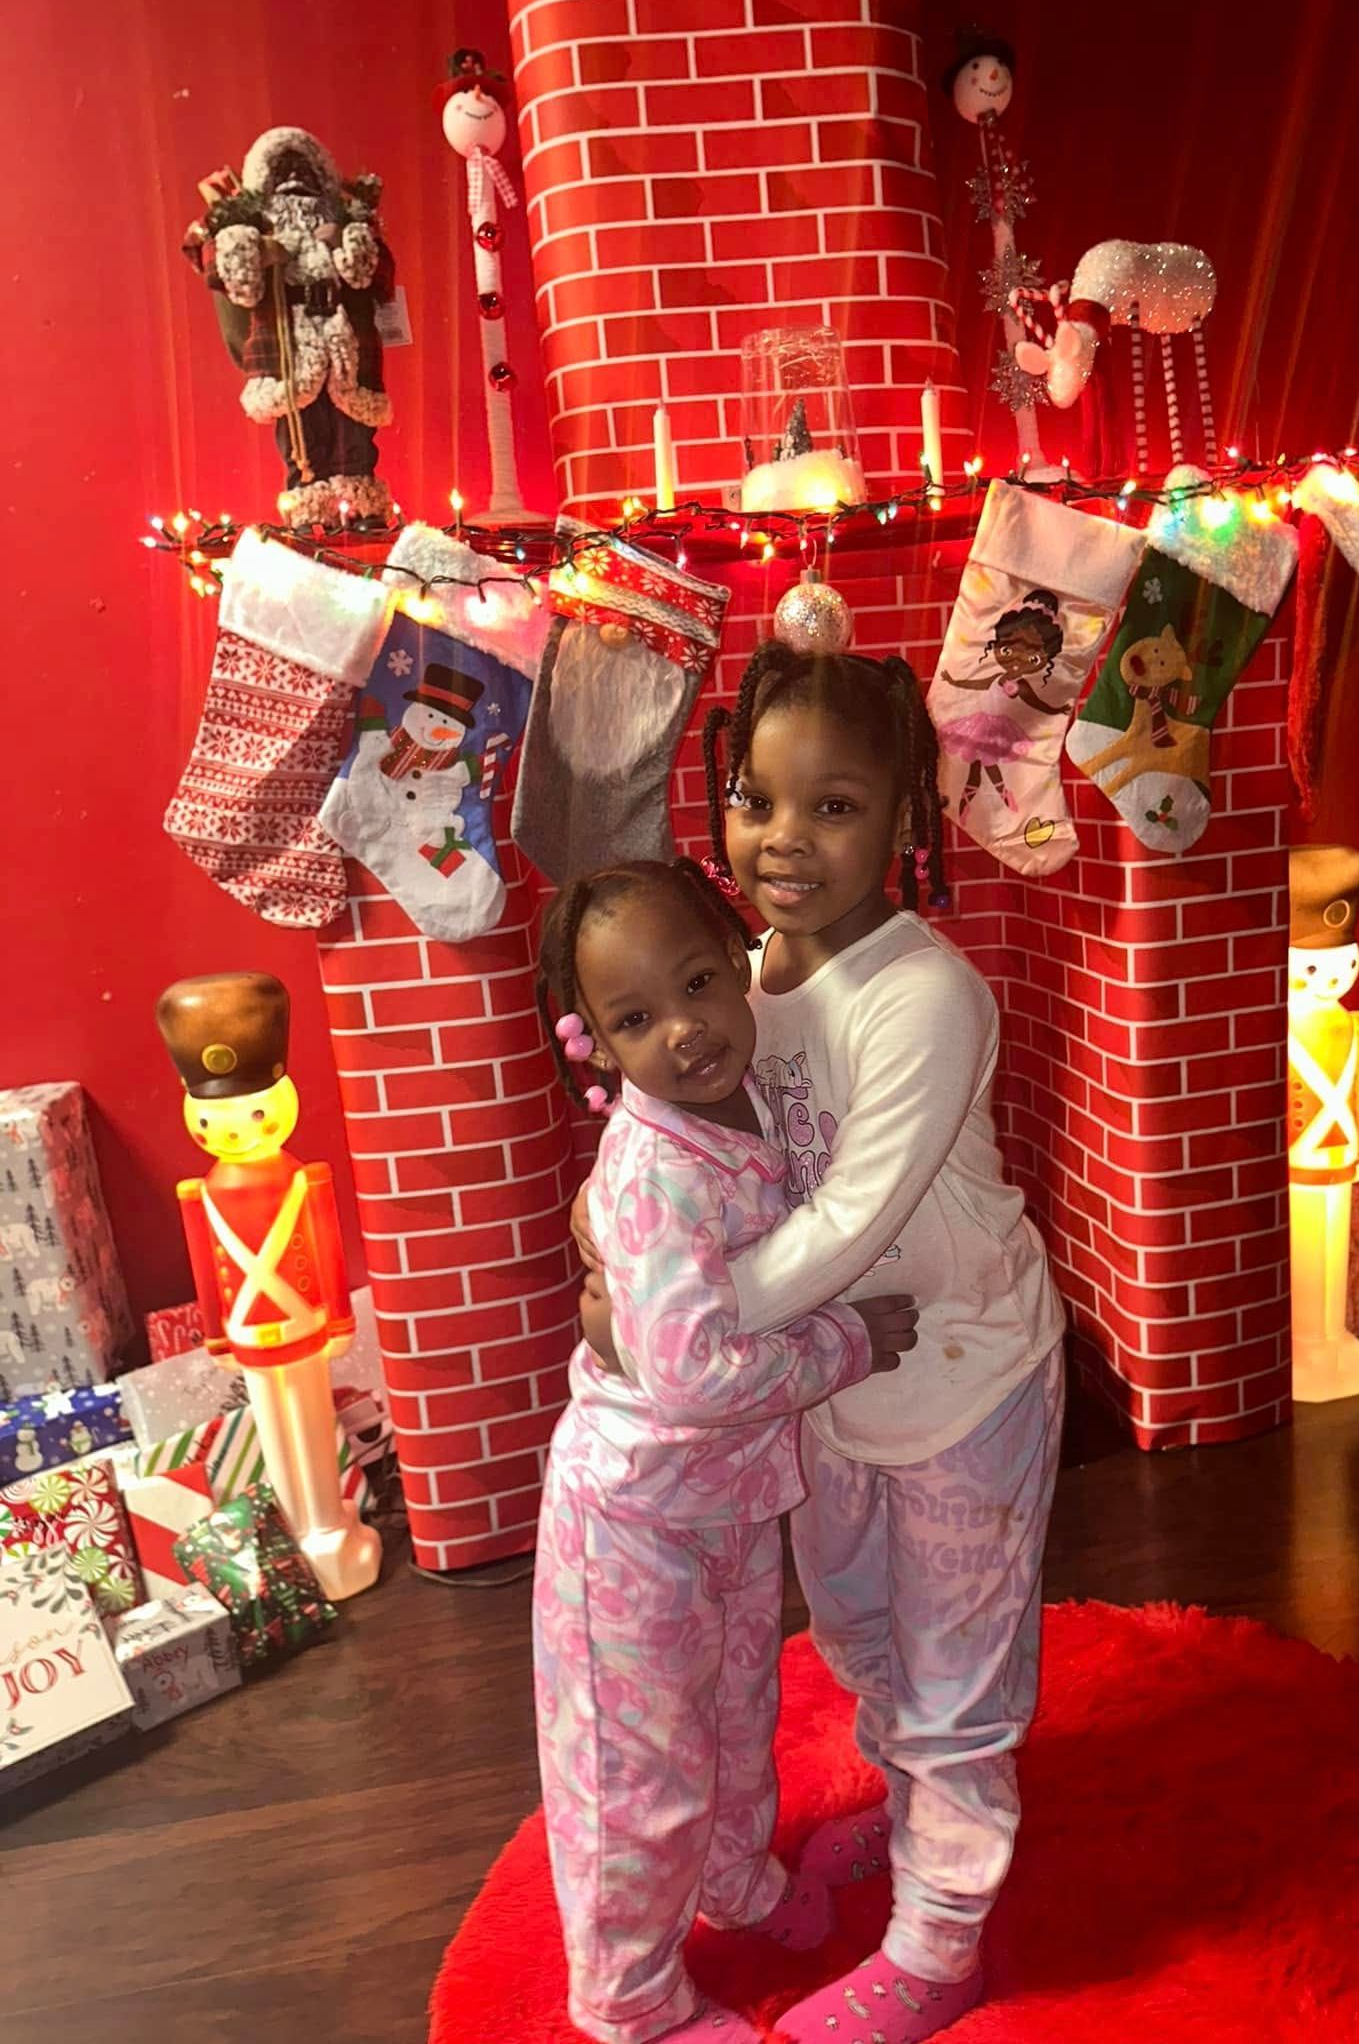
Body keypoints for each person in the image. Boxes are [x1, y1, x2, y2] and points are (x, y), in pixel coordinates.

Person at [576, 646, 1066, 2044]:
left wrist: (690, 1314)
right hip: (827, 1394)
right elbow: (672, 1136)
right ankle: (912, 1809)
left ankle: (942, 1936)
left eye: (834, 808)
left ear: (906, 820)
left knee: (959, 1679)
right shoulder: (736, 976)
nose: (785, 841)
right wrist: (610, 1225)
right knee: (862, 1638)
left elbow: (852, 1217)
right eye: (755, 801)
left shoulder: (925, 994)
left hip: (963, 1381)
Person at [532, 855, 920, 2044]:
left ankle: (737, 1875)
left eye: (700, 981)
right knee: (633, 1768)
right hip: (634, 1520)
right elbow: (692, 1373)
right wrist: (847, 1346)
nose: (685, 1031)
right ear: (594, 1041)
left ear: (742, 961)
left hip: (732, 1505)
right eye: (636, 1019)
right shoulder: (650, 1169)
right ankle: (627, 2000)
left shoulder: (756, 1101)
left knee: (737, 1709)